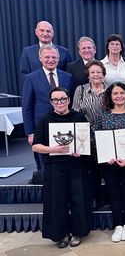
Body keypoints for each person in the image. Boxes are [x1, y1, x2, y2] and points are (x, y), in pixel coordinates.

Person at [32, 87, 91, 248]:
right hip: (54, 166)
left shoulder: (79, 117)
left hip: (76, 165)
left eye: (63, 99)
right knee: (57, 201)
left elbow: (87, 141)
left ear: (69, 100)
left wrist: (82, 150)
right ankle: (61, 233)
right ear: (51, 102)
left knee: (78, 199)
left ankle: (78, 232)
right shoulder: (45, 119)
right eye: (56, 100)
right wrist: (53, 149)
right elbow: (36, 147)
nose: (60, 102)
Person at [94, 82, 125, 243]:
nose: (119, 96)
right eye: (115, 93)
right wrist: (105, 155)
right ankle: (118, 225)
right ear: (110, 96)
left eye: (122, 93)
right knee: (113, 193)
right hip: (109, 163)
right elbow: (97, 138)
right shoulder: (103, 115)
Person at [22, 44, 73, 183]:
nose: (51, 60)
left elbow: (72, 102)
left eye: (54, 57)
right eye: (47, 57)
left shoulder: (67, 77)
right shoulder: (31, 78)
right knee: (45, 166)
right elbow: (26, 107)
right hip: (42, 128)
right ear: (40, 58)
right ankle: (50, 198)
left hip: (65, 128)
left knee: (66, 164)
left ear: (58, 58)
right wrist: (30, 132)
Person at [72, 60, 107, 207]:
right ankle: (93, 199)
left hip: (105, 134)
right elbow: (74, 112)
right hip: (85, 135)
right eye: (92, 72)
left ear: (103, 75)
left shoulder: (111, 89)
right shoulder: (80, 90)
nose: (96, 75)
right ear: (88, 75)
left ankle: (107, 199)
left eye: (98, 72)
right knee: (90, 170)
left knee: (107, 169)